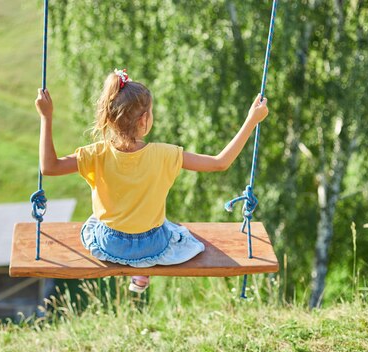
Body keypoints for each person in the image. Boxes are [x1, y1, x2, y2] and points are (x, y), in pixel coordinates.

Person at [35, 69, 269, 293]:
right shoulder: (164, 154)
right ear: (144, 119)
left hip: (110, 244)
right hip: (152, 244)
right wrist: (251, 120)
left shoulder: (95, 154)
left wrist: (46, 116)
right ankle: (142, 268)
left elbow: (49, 167)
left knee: (97, 221)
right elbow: (220, 162)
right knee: (171, 227)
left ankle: (136, 267)